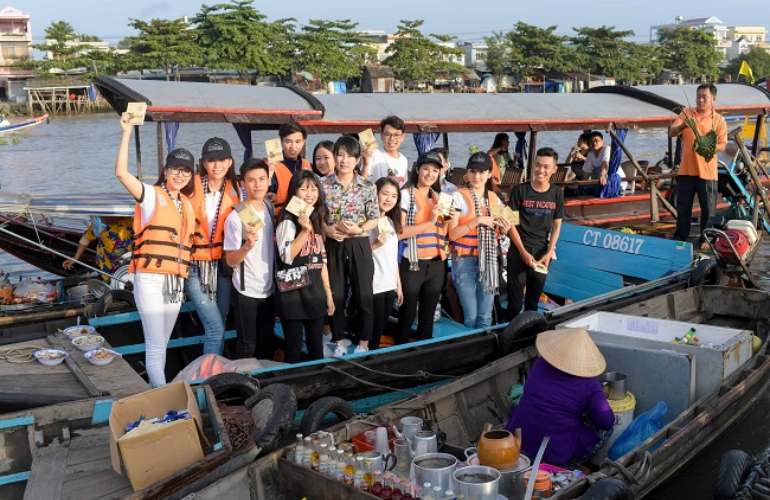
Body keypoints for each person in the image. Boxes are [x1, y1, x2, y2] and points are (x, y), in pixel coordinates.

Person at [114, 113, 195, 387]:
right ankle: (162, 397)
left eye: (186, 170)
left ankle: (157, 391)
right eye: (176, 169)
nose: (180, 174)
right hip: (149, 278)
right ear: (166, 171)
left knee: (162, 343)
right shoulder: (151, 195)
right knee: (155, 344)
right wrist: (127, 132)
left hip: (175, 281)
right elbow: (121, 173)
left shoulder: (187, 204)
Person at [506, 328, 613, 467]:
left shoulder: (540, 364)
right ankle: (569, 465)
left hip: (518, 438)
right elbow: (606, 422)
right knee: (606, 430)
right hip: (553, 451)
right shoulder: (590, 385)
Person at [321, 136, 380, 356]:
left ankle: (364, 342)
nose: (344, 160)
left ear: (357, 159)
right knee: (336, 293)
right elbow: (318, 215)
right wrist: (327, 229)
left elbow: (374, 217)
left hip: (359, 243)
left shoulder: (367, 186)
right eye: (340, 155)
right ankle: (338, 340)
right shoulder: (323, 184)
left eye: (349, 156)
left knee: (364, 293)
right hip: (334, 243)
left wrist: (360, 228)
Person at [186, 137, 241, 355]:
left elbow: (251, 216)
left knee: (220, 321)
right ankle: (211, 371)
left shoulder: (236, 190)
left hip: (223, 265)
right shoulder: (189, 186)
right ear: (203, 163)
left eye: (222, 160)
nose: (217, 165)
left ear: (230, 162)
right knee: (215, 327)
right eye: (211, 160)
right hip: (193, 265)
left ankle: (212, 366)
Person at [275, 170, 335, 363]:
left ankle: (317, 378)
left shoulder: (315, 217)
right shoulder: (287, 219)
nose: (310, 194)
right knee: (293, 348)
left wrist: (328, 294)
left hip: (315, 291)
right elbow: (286, 256)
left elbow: (321, 260)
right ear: (294, 191)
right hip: (293, 293)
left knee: (316, 346)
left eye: (314, 189)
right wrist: (304, 231)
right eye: (304, 189)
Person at [447, 152, 511, 328]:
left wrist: (504, 229)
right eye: (473, 171)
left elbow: (501, 230)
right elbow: (452, 234)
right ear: (467, 173)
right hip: (464, 260)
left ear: (489, 174)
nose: (477, 176)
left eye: (482, 172)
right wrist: (477, 220)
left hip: (489, 260)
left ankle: (485, 343)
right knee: (471, 315)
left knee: (485, 316)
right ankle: (470, 342)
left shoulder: (495, 199)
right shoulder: (457, 197)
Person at [224, 159, 276, 360]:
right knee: (247, 345)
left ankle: (266, 379)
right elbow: (230, 260)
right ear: (242, 184)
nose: (257, 184)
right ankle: (244, 379)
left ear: (269, 180)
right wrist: (247, 246)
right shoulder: (237, 216)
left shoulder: (269, 208)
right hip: (246, 290)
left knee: (267, 342)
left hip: (269, 288)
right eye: (251, 180)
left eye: (262, 179)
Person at [397, 151, 449, 343]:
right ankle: (400, 348)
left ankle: (424, 349)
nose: (430, 174)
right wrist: (430, 222)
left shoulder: (441, 199)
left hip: (436, 264)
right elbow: (399, 232)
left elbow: (446, 231)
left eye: (435, 170)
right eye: (426, 169)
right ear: (418, 169)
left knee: (428, 315)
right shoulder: (405, 195)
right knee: (407, 313)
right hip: (413, 263)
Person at [507, 147, 564, 318]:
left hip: (541, 253)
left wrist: (549, 252)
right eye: (538, 165)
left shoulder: (557, 193)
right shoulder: (519, 190)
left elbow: (557, 224)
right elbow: (510, 224)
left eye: (546, 167)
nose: (541, 170)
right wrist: (522, 252)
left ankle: (529, 331)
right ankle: (510, 330)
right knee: (515, 304)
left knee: (532, 303)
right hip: (518, 251)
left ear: (554, 169)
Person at [670, 83, 728, 244]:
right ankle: (680, 238)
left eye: (704, 97)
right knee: (683, 209)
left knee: (708, 210)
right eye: (698, 97)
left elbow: (722, 144)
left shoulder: (719, 120)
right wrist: (684, 124)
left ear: (713, 99)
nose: (700, 100)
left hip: (707, 173)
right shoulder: (687, 113)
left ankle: (706, 240)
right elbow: (672, 132)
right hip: (686, 171)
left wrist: (708, 148)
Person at [370, 177, 404, 349]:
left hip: (389, 285)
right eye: (385, 194)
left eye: (394, 196)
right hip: (373, 284)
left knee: (381, 326)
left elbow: (392, 257)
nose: (389, 199)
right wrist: (376, 244)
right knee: (372, 330)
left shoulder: (390, 222)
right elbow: (357, 254)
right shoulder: (367, 222)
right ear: (375, 194)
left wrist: (398, 285)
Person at [62, 216, 133, 282]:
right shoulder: (100, 224)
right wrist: (75, 258)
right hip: (106, 267)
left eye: (103, 217)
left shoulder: (132, 222)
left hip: (127, 266)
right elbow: (86, 238)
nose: (101, 219)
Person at [270, 121, 312, 213]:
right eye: (288, 141)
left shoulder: (307, 165)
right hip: (280, 215)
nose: (293, 146)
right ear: (281, 141)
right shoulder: (271, 166)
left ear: (303, 142)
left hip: (304, 213)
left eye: (298, 142)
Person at [365, 115, 409, 186]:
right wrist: (366, 161)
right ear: (381, 135)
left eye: (396, 135)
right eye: (388, 134)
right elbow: (363, 180)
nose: (392, 138)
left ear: (403, 137)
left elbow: (403, 185)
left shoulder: (404, 160)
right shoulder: (373, 154)